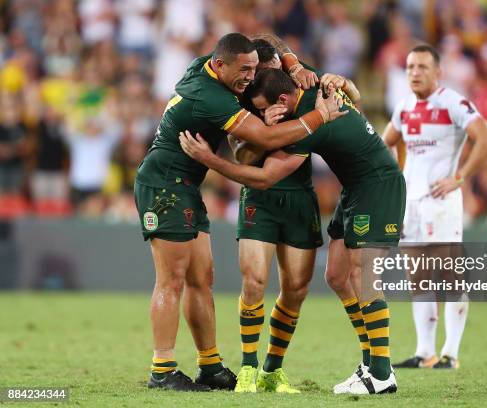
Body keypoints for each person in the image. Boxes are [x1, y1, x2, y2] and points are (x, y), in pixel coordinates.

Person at [134, 32, 343, 391]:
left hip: (185, 186)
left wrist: (290, 60)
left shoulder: (205, 68)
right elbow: (264, 139)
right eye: (244, 69)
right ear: (220, 65)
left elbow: (265, 40)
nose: (250, 76)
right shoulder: (212, 96)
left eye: (253, 67)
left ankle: (210, 365)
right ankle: (162, 369)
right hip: (163, 185)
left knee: (203, 277)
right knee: (172, 279)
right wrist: (320, 116)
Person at [179, 68, 406, 395]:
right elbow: (353, 94)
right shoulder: (312, 89)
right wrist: (344, 82)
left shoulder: (309, 122)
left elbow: (264, 177)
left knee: (363, 274)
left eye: (262, 107)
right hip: (355, 188)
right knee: (338, 276)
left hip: (378, 186)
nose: (259, 114)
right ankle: (371, 362)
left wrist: (209, 160)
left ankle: (382, 372)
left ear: (283, 100)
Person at [230, 37, 359, 394]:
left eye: (269, 69)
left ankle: (272, 369)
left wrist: (304, 66)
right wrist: (264, 135)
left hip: (300, 196)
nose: (263, 78)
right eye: (257, 71)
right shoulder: (243, 100)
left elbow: (353, 100)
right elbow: (240, 155)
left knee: (296, 289)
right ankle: (247, 367)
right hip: (260, 195)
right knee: (254, 281)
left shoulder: (300, 80)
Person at [382, 44, 487, 369]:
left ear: (438, 72)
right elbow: (384, 144)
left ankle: (451, 353)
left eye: (421, 67)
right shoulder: (404, 107)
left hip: (441, 202)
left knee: (450, 279)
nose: (415, 73)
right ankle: (424, 352)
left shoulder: (453, 102)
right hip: (411, 203)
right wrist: (395, 179)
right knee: (417, 277)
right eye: (409, 67)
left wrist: (458, 177)